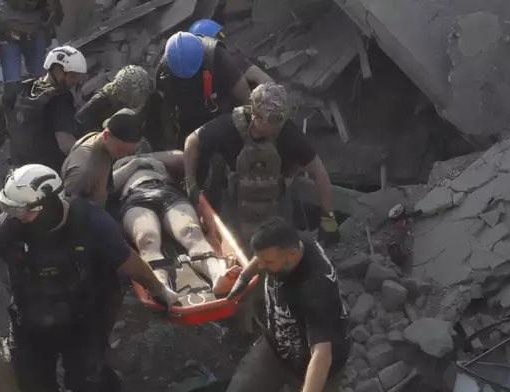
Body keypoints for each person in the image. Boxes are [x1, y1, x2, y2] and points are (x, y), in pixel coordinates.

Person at [0, 164, 178, 392]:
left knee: (87, 379)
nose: (18, 217)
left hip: (83, 318)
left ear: (49, 203)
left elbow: (130, 263)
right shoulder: (6, 228)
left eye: (24, 211)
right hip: (30, 322)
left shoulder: (90, 221)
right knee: (33, 384)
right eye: (11, 208)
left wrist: (159, 291)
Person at [183, 83, 340, 246]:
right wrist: (190, 182)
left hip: (275, 205)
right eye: (273, 119)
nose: (278, 124)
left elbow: (318, 172)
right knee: (233, 250)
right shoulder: (227, 127)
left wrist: (328, 217)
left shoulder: (289, 133)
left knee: (282, 250)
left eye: (282, 117)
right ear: (255, 115)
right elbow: (192, 141)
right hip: (235, 203)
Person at [225, 217, 350, 392]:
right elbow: (264, 252)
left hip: (316, 366)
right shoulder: (289, 240)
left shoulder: (317, 287)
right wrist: (244, 277)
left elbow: (322, 355)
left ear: (292, 255)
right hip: (276, 348)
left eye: (267, 262)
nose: (261, 266)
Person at [112, 153, 241, 295]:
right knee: (147, 238)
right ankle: (160, 285)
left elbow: (180, 157)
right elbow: (110, 187)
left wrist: (144, 158)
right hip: (134, 196)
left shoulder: (154, 159)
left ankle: (217, 273)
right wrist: (134, 163)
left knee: (190, 231)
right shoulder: (115, 164)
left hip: (166, 190)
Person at [0, 45, 87, 173]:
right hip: (49, 174)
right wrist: (87, 159)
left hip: (19, 171)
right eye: (73, 76)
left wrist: (0, 132)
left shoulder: (24, 88)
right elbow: (64, 141)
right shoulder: (60, 98)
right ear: (57, 70)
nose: (76, 81)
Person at [156, 31, 251, 148]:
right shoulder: (164, 69)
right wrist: (168, 139)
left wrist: (249, 133)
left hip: (222, 111)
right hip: (189, 119)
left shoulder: (216, 55)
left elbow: (244, 93)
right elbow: (166, 105)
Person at [0, 0, 63, 102]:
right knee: (12, 88)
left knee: (40, 84)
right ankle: (11, 115)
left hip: (34, 33)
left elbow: (56, 14)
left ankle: (34, 114)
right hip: (8, 33)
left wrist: (48, 23)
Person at [62, 108, 141, 207]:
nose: (124, 155)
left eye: (129, 152)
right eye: (121, 150)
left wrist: (136, 164)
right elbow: (65, 206)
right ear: (106, 135)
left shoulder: (102, 144)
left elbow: (105, 186)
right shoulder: (85, 170)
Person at [189, 19, 275, 89]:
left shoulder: (230, 60)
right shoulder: (228, 61)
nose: (222, 37)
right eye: (219, 35)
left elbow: (266, 82)